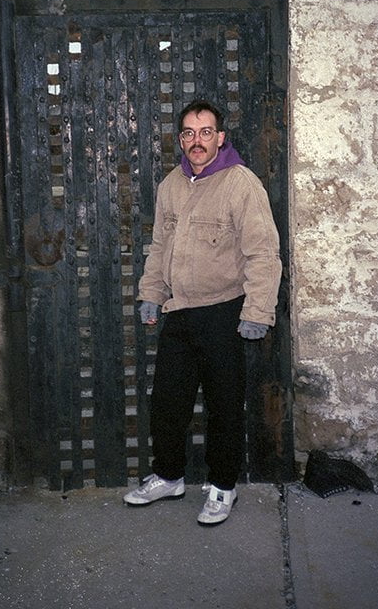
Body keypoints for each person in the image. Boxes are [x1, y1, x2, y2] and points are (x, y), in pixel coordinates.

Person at [123, 99, 282, 525]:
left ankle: (222, 488)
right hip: (180, 312)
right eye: (189, 134)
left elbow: (264, 253)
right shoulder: (171, 184)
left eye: (206, 132)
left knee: (224, 407)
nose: (197, 141)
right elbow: (160, 247)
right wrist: (151, 293)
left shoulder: (241, 184)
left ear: (220, 138)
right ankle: (169, 476)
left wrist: (257, 311)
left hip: (224, 313)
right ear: (180, 139)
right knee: (167, 405)